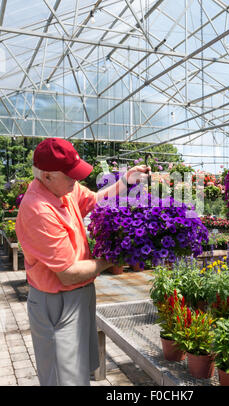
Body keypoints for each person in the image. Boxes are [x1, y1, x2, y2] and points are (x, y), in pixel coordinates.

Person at [15, 137, 150, 386]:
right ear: (46, 177)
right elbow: (68, 273)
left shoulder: (63, 188)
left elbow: (93, 200)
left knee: (78, 373)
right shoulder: (38, 210)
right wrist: (114, 258)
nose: (76, 181)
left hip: (79, 293)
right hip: (56, 303)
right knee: (63, 378)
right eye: (70, 176)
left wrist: (124, 181)